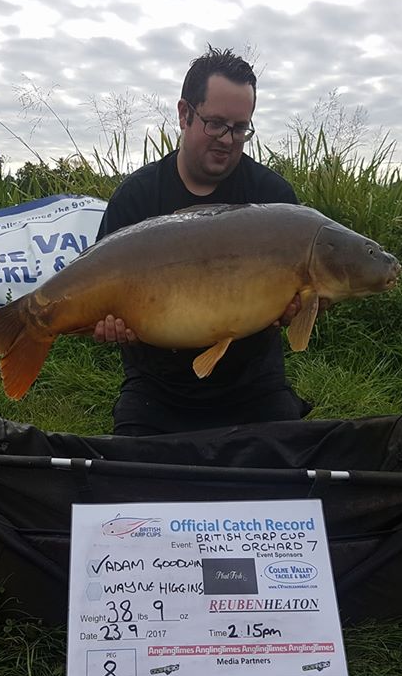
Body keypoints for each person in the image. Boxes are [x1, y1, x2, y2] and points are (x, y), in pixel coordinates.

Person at [94, 46, 322, 437]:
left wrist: (297, 308)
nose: (228, 140)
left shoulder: (273, 197)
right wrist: (105, 324)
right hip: (158, 386)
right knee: (131, 474)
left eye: (240, 128)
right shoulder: (137, 197)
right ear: (184, 114)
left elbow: (298, 304)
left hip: (252, 383)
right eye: (216, 124)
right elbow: (100, 296)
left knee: (287, 476)